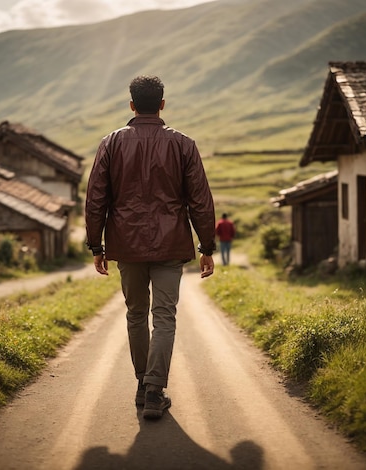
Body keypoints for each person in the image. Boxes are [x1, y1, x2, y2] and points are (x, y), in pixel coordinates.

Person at [85, 75, 216, 420]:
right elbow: (200, 200)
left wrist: (95, 246)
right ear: (162, 104)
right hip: (171, 243)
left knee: (135, 314)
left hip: (125, 244)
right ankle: (156, 390)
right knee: (164, 315)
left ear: (131, 105)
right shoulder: (183, 144)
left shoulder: (111, 143)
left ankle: (144, 384)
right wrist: (207, 246)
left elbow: (96, 198)